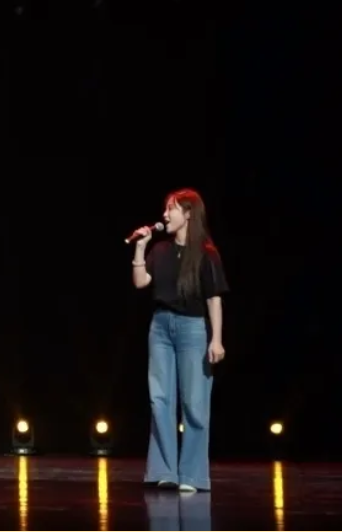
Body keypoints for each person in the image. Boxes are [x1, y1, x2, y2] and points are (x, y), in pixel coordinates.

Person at [130, 188, 229, 492]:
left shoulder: (206, 253)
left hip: (193, 328)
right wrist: (140, 247)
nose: (164, 215)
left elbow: (214, 299)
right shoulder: (160, 250)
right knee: (160, 399)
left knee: (194, 403)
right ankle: (165, 471)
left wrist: (217, 340)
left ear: (187, 214)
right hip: (160, 327)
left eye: (170, 209)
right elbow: (140, 282)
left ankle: (192, 475)